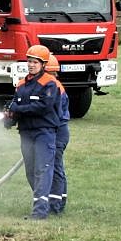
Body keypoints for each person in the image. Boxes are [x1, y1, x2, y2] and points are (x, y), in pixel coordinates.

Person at [2, 44, 61, 220]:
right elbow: (15, 105)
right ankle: (44, 204)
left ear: (43, 64)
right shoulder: (21, 85)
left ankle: (40, 212)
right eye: (29, 61)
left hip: (44, 132)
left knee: (42, 169)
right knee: (30, 171)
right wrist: (10, 117)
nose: (31, 65)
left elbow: (43, 107)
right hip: (26, 133)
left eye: (35, 62)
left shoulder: (49, 83)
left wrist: (17, 109)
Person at [45, 55, 69, 215]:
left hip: (57, 131)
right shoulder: (52, 86)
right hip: (55, 130)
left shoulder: (54, 88)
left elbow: (51, 112)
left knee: (55, 167)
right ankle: (59, 201)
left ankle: (55, 205)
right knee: (55, 166)